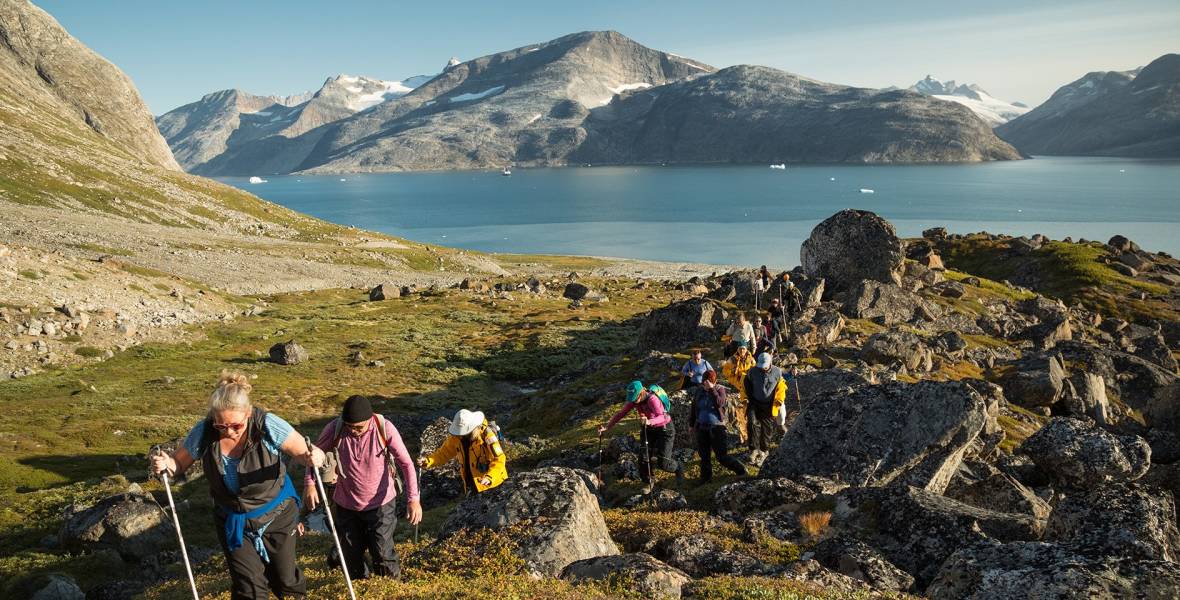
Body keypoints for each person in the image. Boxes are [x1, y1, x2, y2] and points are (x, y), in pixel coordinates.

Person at [149, 371, 323, 600]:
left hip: (277, 516)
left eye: (235, 425)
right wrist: (165, 463)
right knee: (249, 589)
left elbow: (305, 453)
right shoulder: (204, 431)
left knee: (286, 581)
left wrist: (315, 456)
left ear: (249, 414)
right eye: (221, 426)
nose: (228, 432)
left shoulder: (267, 425)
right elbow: (178, 464)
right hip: (233, 521)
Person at [304, 396, 421, 580]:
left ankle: (391, 587)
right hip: (346, 504)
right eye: (350, 426)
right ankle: (362, 586)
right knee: (350, 556)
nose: (354, 431)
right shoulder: (335, 429)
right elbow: (312, 456)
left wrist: (413, 499)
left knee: (382, 551)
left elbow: (406, 463)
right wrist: (310, 484)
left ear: (370, 418)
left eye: (359, 427)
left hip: (381, 503)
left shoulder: (384, 428)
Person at [598, 380, 682, 493]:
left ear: (641, 393)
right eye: (632, 399)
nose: (634, 401)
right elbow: (621, 414)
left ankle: (678, 467)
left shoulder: (653, 399)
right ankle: (649, 482)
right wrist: (607, 427)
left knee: (664, 462)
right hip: (648, 429)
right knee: (643, 458)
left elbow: (662, 417)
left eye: (635, 398)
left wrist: (649, 421)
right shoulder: (634, 400)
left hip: (665, 429)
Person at [418, 409, 507, 495]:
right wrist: (428, 461)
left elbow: (499, 459)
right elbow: (444, 453)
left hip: (493, 485)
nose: (462, 434)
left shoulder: (488, 436)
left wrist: (490, 477)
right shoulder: (456, 437)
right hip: (472, 485)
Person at [689, 370, 748, 483]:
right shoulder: (699, 390)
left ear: (714, 381)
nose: (705, 385)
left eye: (707, 383)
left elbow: (720, 403)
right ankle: (706, 478)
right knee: (704, 455)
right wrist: (691, 424)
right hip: (702, 427)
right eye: (704, 383)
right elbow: (694, 407)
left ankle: (741, 470)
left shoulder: (720, 389)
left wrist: (712, 390)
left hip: (717, 427)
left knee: (721, 456)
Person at [743, 353, 787, 468]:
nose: (762, 367)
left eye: (765, 365)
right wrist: (748, 397)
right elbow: (746, 382)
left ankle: (764, 450)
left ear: (770, 363)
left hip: (769, 405)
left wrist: (779, 399)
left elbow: (781, 385)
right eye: (761, 365)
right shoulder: (752, 371)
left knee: (766, 430)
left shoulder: (778, 372)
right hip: (754, 403)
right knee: (751, 424)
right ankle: (753, 450)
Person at [721, 345, 755, 446]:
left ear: (746, 349)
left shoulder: (751, 358)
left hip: (747, 389)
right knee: (738, 415)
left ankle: (748, 437)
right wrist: (734, 371)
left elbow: (755, 369)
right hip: (736, 387)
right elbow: (725, 371)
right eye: (740, 348)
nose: (741, 350)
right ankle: (742, 437)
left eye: (743, 348)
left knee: (747, 414)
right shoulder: (732, 359)